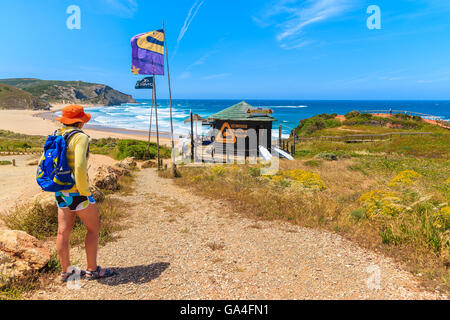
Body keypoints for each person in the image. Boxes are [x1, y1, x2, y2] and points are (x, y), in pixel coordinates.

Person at [55, 105, 115, 282]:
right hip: (78, 192)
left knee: (63, 232)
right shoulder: (80, 137)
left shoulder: (57, 134)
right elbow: (80, 166)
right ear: (80, 121)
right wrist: (85, 192)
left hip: (61, 190)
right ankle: (92, 270)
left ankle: (66, 271)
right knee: (93, 229)